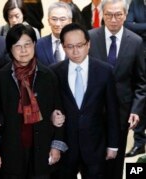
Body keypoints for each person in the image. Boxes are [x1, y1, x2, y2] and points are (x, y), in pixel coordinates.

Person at [0, 24, 68, 179]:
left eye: (27, 44)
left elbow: (59, 113)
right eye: (17, 46)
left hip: (41, 150)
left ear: (35, 45)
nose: (23, 50)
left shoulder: (48, 75)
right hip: (10, 150)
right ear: (10, 49)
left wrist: (56, 147)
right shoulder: (1, 77)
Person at [51, 23, 120, 179]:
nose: (75, 51)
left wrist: (113, 145)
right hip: (65, 148)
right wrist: (52, 116)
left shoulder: (105, 70)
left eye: (80, 45)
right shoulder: (54, 72)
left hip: (96, 146)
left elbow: (112, 111)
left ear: (88, 44)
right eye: (69, 46)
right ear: (63, 47)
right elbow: (50, 106)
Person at [88, 0, 146, 179]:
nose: (113, 19)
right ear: (102, 15)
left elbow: (141, 82)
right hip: (93, 111)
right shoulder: (89, 37)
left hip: (122, 111)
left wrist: (136, 110)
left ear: (125, 15)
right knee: (93, 161)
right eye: (108, 15)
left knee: (116, 163)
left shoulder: (136, 42)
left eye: (118, 15)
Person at [124, 0, 146, 157]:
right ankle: (139, 143)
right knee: (141, 98)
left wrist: (141, 27)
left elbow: (136, 27)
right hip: (141, 58)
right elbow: (129, 25)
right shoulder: (135, 3)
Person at [36, 1, 72, 66]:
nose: (57, 24)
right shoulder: (39, 44)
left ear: (70, 21)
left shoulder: (78, 44)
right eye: (54, 19)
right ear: (48, 21)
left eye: (62, 19)